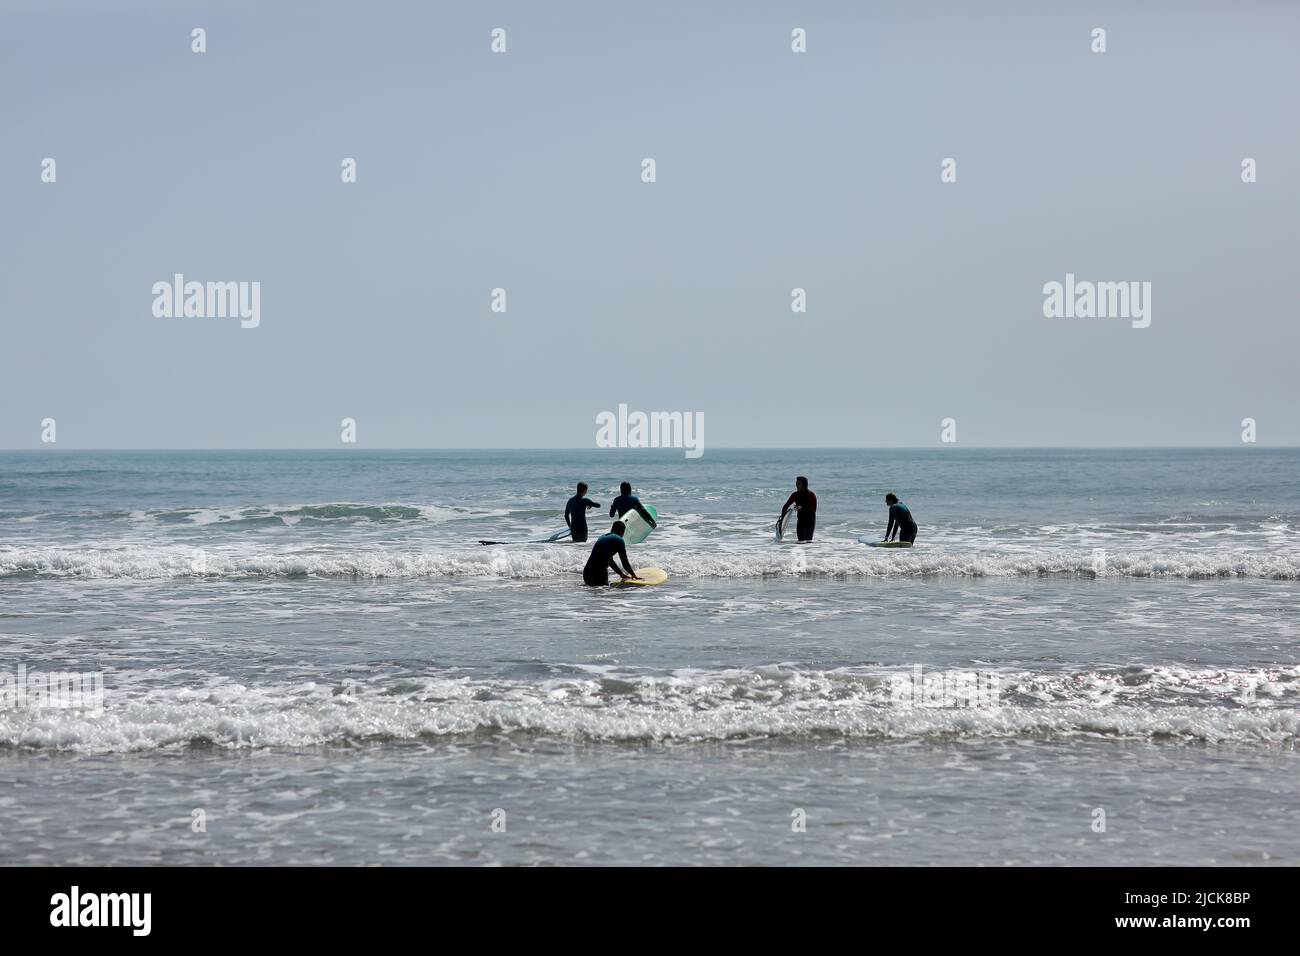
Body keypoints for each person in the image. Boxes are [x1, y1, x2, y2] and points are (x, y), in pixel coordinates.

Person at [583, 521, 639, 585]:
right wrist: (634, 575)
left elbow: (610, 561)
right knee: (604, 594)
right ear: (622, 532)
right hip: (599, 574)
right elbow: (625, 562)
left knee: (594, 593)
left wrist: (621, 574)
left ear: (611, 529)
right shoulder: (619, 540)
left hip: (587, 573)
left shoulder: (602, 537)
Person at [778, 476, 817, 542]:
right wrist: (782, 517)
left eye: (798, 484)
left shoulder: (811, 495)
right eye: (796, 483)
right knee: (800, 541)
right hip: (800, 520)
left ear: (804, 485)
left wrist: (801, 508)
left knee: (808, 541)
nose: (796, 485)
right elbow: (786, 505)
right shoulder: (795, 495)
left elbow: (813, 509)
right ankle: (799, 552)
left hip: (810, 520)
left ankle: (809, 552)